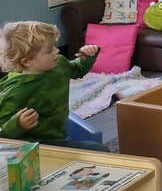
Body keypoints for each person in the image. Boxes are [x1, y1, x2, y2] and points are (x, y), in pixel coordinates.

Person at [0, 21, 109, 152]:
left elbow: (77, 69)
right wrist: (18, 124)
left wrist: (87, 58)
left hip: (59, 138)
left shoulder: (60, 64)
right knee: (100, 151)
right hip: (30, 148)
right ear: (27, 61)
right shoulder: (16, 91)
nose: (57, 50)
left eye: (54, 46)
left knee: (100, 150)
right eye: (49, 50)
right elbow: (2, 135)